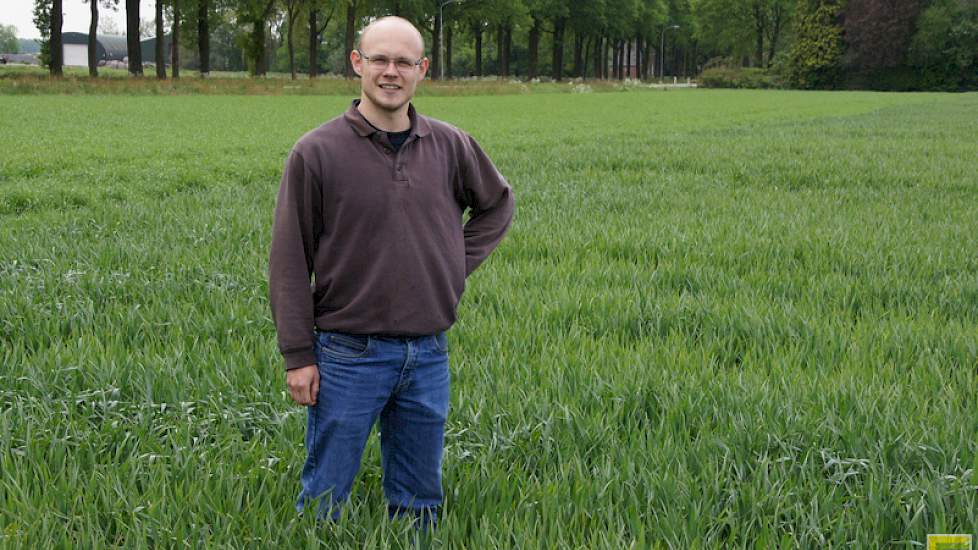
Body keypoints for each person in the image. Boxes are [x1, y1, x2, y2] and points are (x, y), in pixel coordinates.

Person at [268, 16, 514, 526]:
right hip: (347, 354)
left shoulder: (451, 145)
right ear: (357, 64)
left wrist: (455, 262)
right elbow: (290, 258)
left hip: (427, 353)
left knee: (419, 501)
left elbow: (497, 204)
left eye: (404, 61)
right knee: (325, 497)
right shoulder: (316, 152)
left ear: (422, 69)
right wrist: (297, 355)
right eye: (379, 59)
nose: (391, 71)